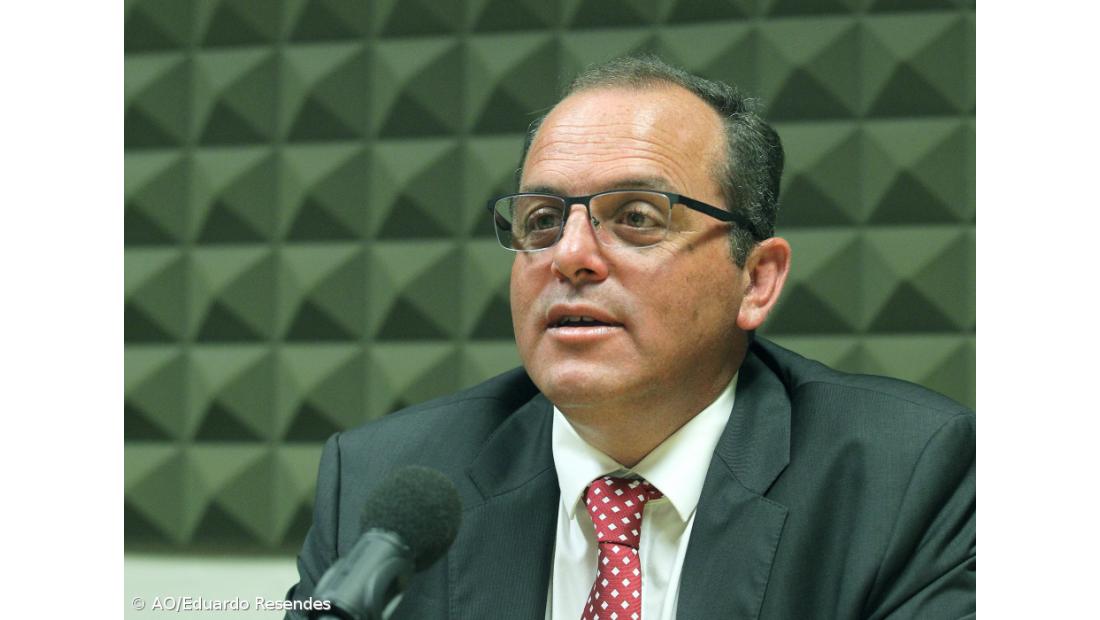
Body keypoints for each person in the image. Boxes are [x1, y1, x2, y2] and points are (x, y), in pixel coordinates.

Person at [285, 55, 975, 619]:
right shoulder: (382, 486)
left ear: (756, 280)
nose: (570, 256)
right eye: (542, 220)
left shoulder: (907, 478)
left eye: (638, 217)